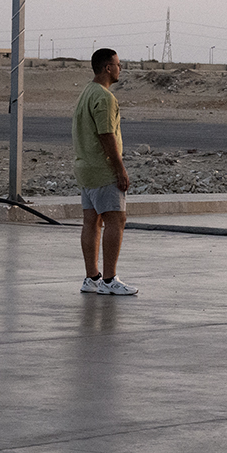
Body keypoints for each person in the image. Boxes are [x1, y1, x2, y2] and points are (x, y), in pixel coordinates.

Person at [73, 48, 137, 296]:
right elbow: (106, 135)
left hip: (85, 169)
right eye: (118, 65)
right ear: (108, 67)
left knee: (91, 221)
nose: (120, 69)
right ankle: (109, 280)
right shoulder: (105, 98)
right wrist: (120, 169)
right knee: (115, 220)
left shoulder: (85, 93)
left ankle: (92, 278)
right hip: (102, 170)